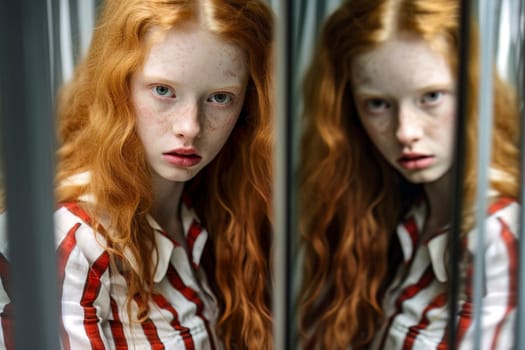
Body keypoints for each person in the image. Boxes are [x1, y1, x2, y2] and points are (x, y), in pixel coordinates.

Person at [41, 0, 274, 348]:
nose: (190, 127)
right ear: (119, 86)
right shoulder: (69, 244)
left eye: (220, 98)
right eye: (163, 90)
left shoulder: (221, 210)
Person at [298, 0, 520, 349]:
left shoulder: (496, 235)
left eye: (431, 97)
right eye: (378, 104)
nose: (405, 131)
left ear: (473, 93)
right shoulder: (395, 213)